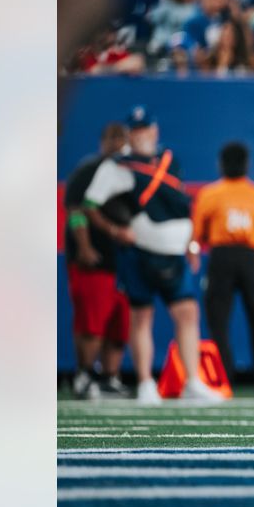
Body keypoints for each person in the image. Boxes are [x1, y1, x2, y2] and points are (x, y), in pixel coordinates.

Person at [82, 106, 221, 404]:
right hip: (141, 251)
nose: (141, 134)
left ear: (155, 130)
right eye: (136, 129)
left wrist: (190, 245)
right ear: (130, 134)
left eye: (145, 128)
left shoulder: (170, 161)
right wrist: (115, 231)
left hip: (175, 252)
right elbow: (90, 204)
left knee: (187, 313)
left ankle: (192, 381)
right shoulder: (118, 167)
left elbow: (182, 208)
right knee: (141, 315)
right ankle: (146, 382)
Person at [192, 142, 254, 396]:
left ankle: (222, 380)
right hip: (249, 257)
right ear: (247, 164)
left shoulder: (210, 194)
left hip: (221, 256)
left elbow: (198, 233)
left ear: (221, 164)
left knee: (218, 321)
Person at [64, 122, 132, 399]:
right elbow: (75, 210)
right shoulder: (88, 169)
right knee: (92, 320)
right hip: (95, 257)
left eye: (122, 137)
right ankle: (84, 375)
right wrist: (84, 246)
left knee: (120, 321)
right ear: (102, 140)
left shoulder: (129, 172)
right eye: (112, 137)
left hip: (123, 260)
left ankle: (109, 377)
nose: (117, 143)